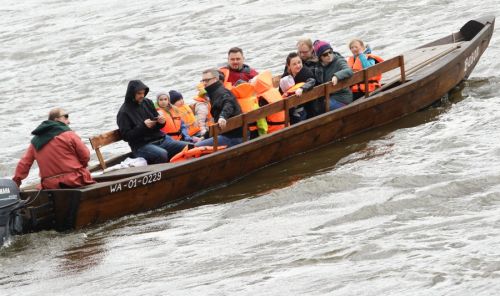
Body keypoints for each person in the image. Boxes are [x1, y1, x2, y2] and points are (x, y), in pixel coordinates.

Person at [12, 108, 95, 189]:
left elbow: (24, 164)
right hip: (74, 181)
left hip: (50, 185)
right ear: (56, 120)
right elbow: (85, 156)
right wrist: (81, 168)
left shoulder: (34, 142)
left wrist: (16, 183)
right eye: (65, 116)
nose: (69, 121)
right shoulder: (69, 134)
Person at [117, 80, 189, 164]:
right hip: (141, 146)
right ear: (131, 93)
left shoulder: (147, 102)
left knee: (187, 146)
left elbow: (158, 125)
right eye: (139, 93)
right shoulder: (123, 112)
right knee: (161, 154)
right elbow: (126, 136)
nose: (142, 96)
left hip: (161, 139)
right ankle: (167, 174)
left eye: (143, 93)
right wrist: (143, 126)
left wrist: (161, 122)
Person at [195, 69, 243, 147]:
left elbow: (229, 103)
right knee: (199, 141)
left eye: (207, 80)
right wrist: (205, 136)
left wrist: (223, 117)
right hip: (233, 133)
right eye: (203, 80)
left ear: (215, 79)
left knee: (196, 146)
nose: (204, 83)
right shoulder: (215, 92)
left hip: (234, 137)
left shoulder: (221, 93)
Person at [311, 40, 353, 110]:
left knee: (326, 105)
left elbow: (349, 70)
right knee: (315, 106)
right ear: (320, 57)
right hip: (328, 96)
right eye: (325, 54)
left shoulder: (338, 60)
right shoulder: (318, 67)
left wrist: (336, 76)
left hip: (342, 97)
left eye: (330, 52)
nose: (329, 55)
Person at [279, 52, 317, 123]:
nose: (298, 65)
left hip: (307, 106)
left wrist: (302, 88)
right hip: (290, 107)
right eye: (294, 64)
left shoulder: (306, 72)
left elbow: (312, 81)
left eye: (299, 62)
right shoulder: (285, 77)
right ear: (289, 66)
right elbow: (280, 91)